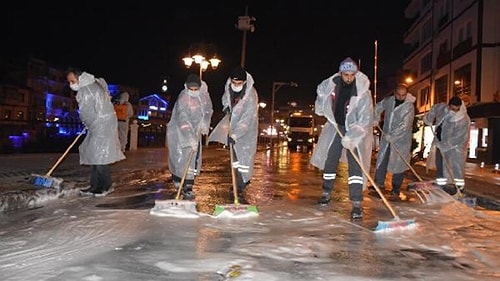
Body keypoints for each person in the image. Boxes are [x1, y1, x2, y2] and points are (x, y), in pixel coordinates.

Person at [310, 57, 373, 219]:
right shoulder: (332, 86)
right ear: (341, 73)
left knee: (355, 165)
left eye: (352, 74)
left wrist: (352, 137)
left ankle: (357, 202)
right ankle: (326, 192)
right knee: (330, 159)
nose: (349, 78)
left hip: (354, 130)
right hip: (336, 127)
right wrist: (321, 105)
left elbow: (364, 119)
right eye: (346, 74)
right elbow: (321, 97)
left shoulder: (362, 92)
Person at [66, 68, 126, 196]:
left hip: (99, 124)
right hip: (103, 123)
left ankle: (104, 186)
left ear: (79, 78)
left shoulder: (85, 90)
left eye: (72, 81)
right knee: (96, 154)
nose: (71, 84)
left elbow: (86, 111)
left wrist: (88, 123)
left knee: (99, 156)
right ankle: (96, 185)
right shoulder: (94, 84)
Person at [208, 66, 259, 204]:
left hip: (246, 132)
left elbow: (247, 118)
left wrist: (236, 135)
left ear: (244, 82)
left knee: (244, 161)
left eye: (239, 83)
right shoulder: (228, 88)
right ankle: (237, 184)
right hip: (232, 129)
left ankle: (240, 188)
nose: (236, 85)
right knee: (235, 161)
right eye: (234, 82)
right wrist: (226, 106)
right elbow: (225, 99)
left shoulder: (250, 94)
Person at [167, 73, 213, 200]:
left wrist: (205, 122)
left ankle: (188, 186)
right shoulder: (183, 98)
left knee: (192, 159)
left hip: (196, 131)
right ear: (186, 87)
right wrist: (189, 137)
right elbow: (182, 118)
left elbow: (208, 109)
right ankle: (177, 179)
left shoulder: (204, 95)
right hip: (180, 131)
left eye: (195, 89)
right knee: (180, 157)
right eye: (190, 89)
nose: (193, 91)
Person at [370, 83, 416, 200]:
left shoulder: (409, 106)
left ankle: (396, 188)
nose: (401, 97)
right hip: (386, 139)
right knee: (382, 160)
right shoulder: (389, 101)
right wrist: (376, 118)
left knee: (398, 164)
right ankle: (378, 184)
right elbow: (378, 107)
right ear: (395, 93)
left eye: (403, 95)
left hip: (401, 141)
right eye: (398, 95)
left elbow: (405, 125)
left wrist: (393, 136)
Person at [424, 96, 470, 192]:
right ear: (448, 106)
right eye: (452, 109)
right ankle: (441, 186)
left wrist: (444, 145)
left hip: (455, 149)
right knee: (440, 165)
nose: (454, 111)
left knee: (455, 167)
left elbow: (458, 138)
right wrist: (429, 118)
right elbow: (434, 108)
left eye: (457, 110)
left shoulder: (463, 120)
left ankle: (458, 188)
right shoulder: (442, 108)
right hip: (439, 143)